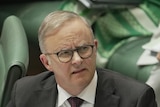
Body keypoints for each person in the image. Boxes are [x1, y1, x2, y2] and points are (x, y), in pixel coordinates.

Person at [6, 10, 157, 107]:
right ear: (47, 62)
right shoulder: (24, 93)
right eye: (65, 53)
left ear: (95, 48)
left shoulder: (136, 99)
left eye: (84, 49)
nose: (77, 60)